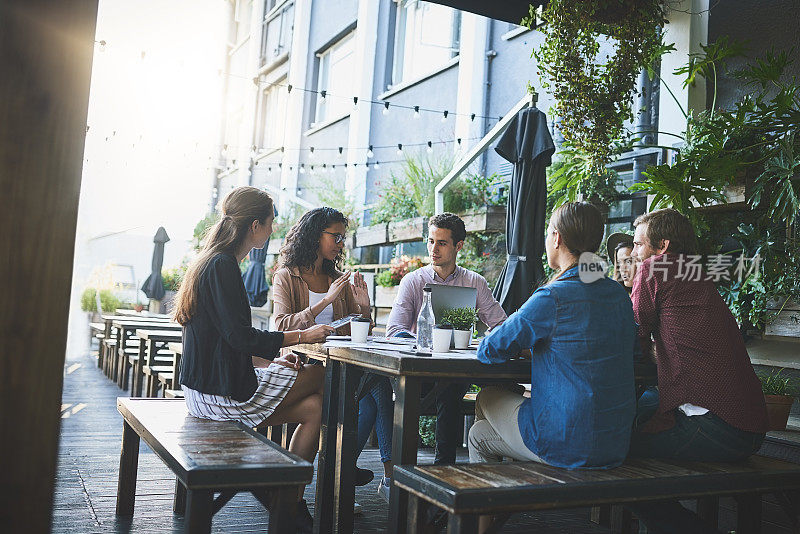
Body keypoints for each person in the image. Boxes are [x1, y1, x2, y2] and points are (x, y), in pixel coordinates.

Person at [173, 187, 334, 534]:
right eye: (272, 223)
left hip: (208, 390)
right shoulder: (222, 266)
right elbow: (240, 338)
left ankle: (289, 499)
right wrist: (303, 336)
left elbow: (228, 342)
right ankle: (329, 477)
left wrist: (271, 363)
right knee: (322, 376)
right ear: (255, 225)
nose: (274, 230)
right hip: (221, 397)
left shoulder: (214, 261)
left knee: (314, 408)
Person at [627, 208, 768, 533]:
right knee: (644, 407)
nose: (633, 253)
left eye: (637, 244)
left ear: (661, 246)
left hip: (717, 427)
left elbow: (631, 337)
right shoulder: (694, 274)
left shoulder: (654, 268)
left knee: (614, 456)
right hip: (751, 427)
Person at [271, 207, 395, 504]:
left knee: (379, 382)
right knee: (362, 394)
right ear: (315, 236)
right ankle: (345, 472)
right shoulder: (287, 276)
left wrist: (364, 308)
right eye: (336, 236)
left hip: (340, 364)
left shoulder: (339, 278)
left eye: (343, 237)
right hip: (303, 365)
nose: (341, 243)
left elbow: (359, 327)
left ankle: (385, 475)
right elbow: (280, 325)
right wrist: (323, 302)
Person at [386, 212, 508, 465]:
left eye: (441, 243)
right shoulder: (413, 281)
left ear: (458, 246)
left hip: (456, 371)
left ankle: (446, 469)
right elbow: (394, 330)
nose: (433, 249)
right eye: (431, 241)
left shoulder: (474, 282)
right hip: (420, 373)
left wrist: (486, 339)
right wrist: (424, 343)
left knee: (453, 384)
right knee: (450, 387)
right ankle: (440, 468)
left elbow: (502, 326)